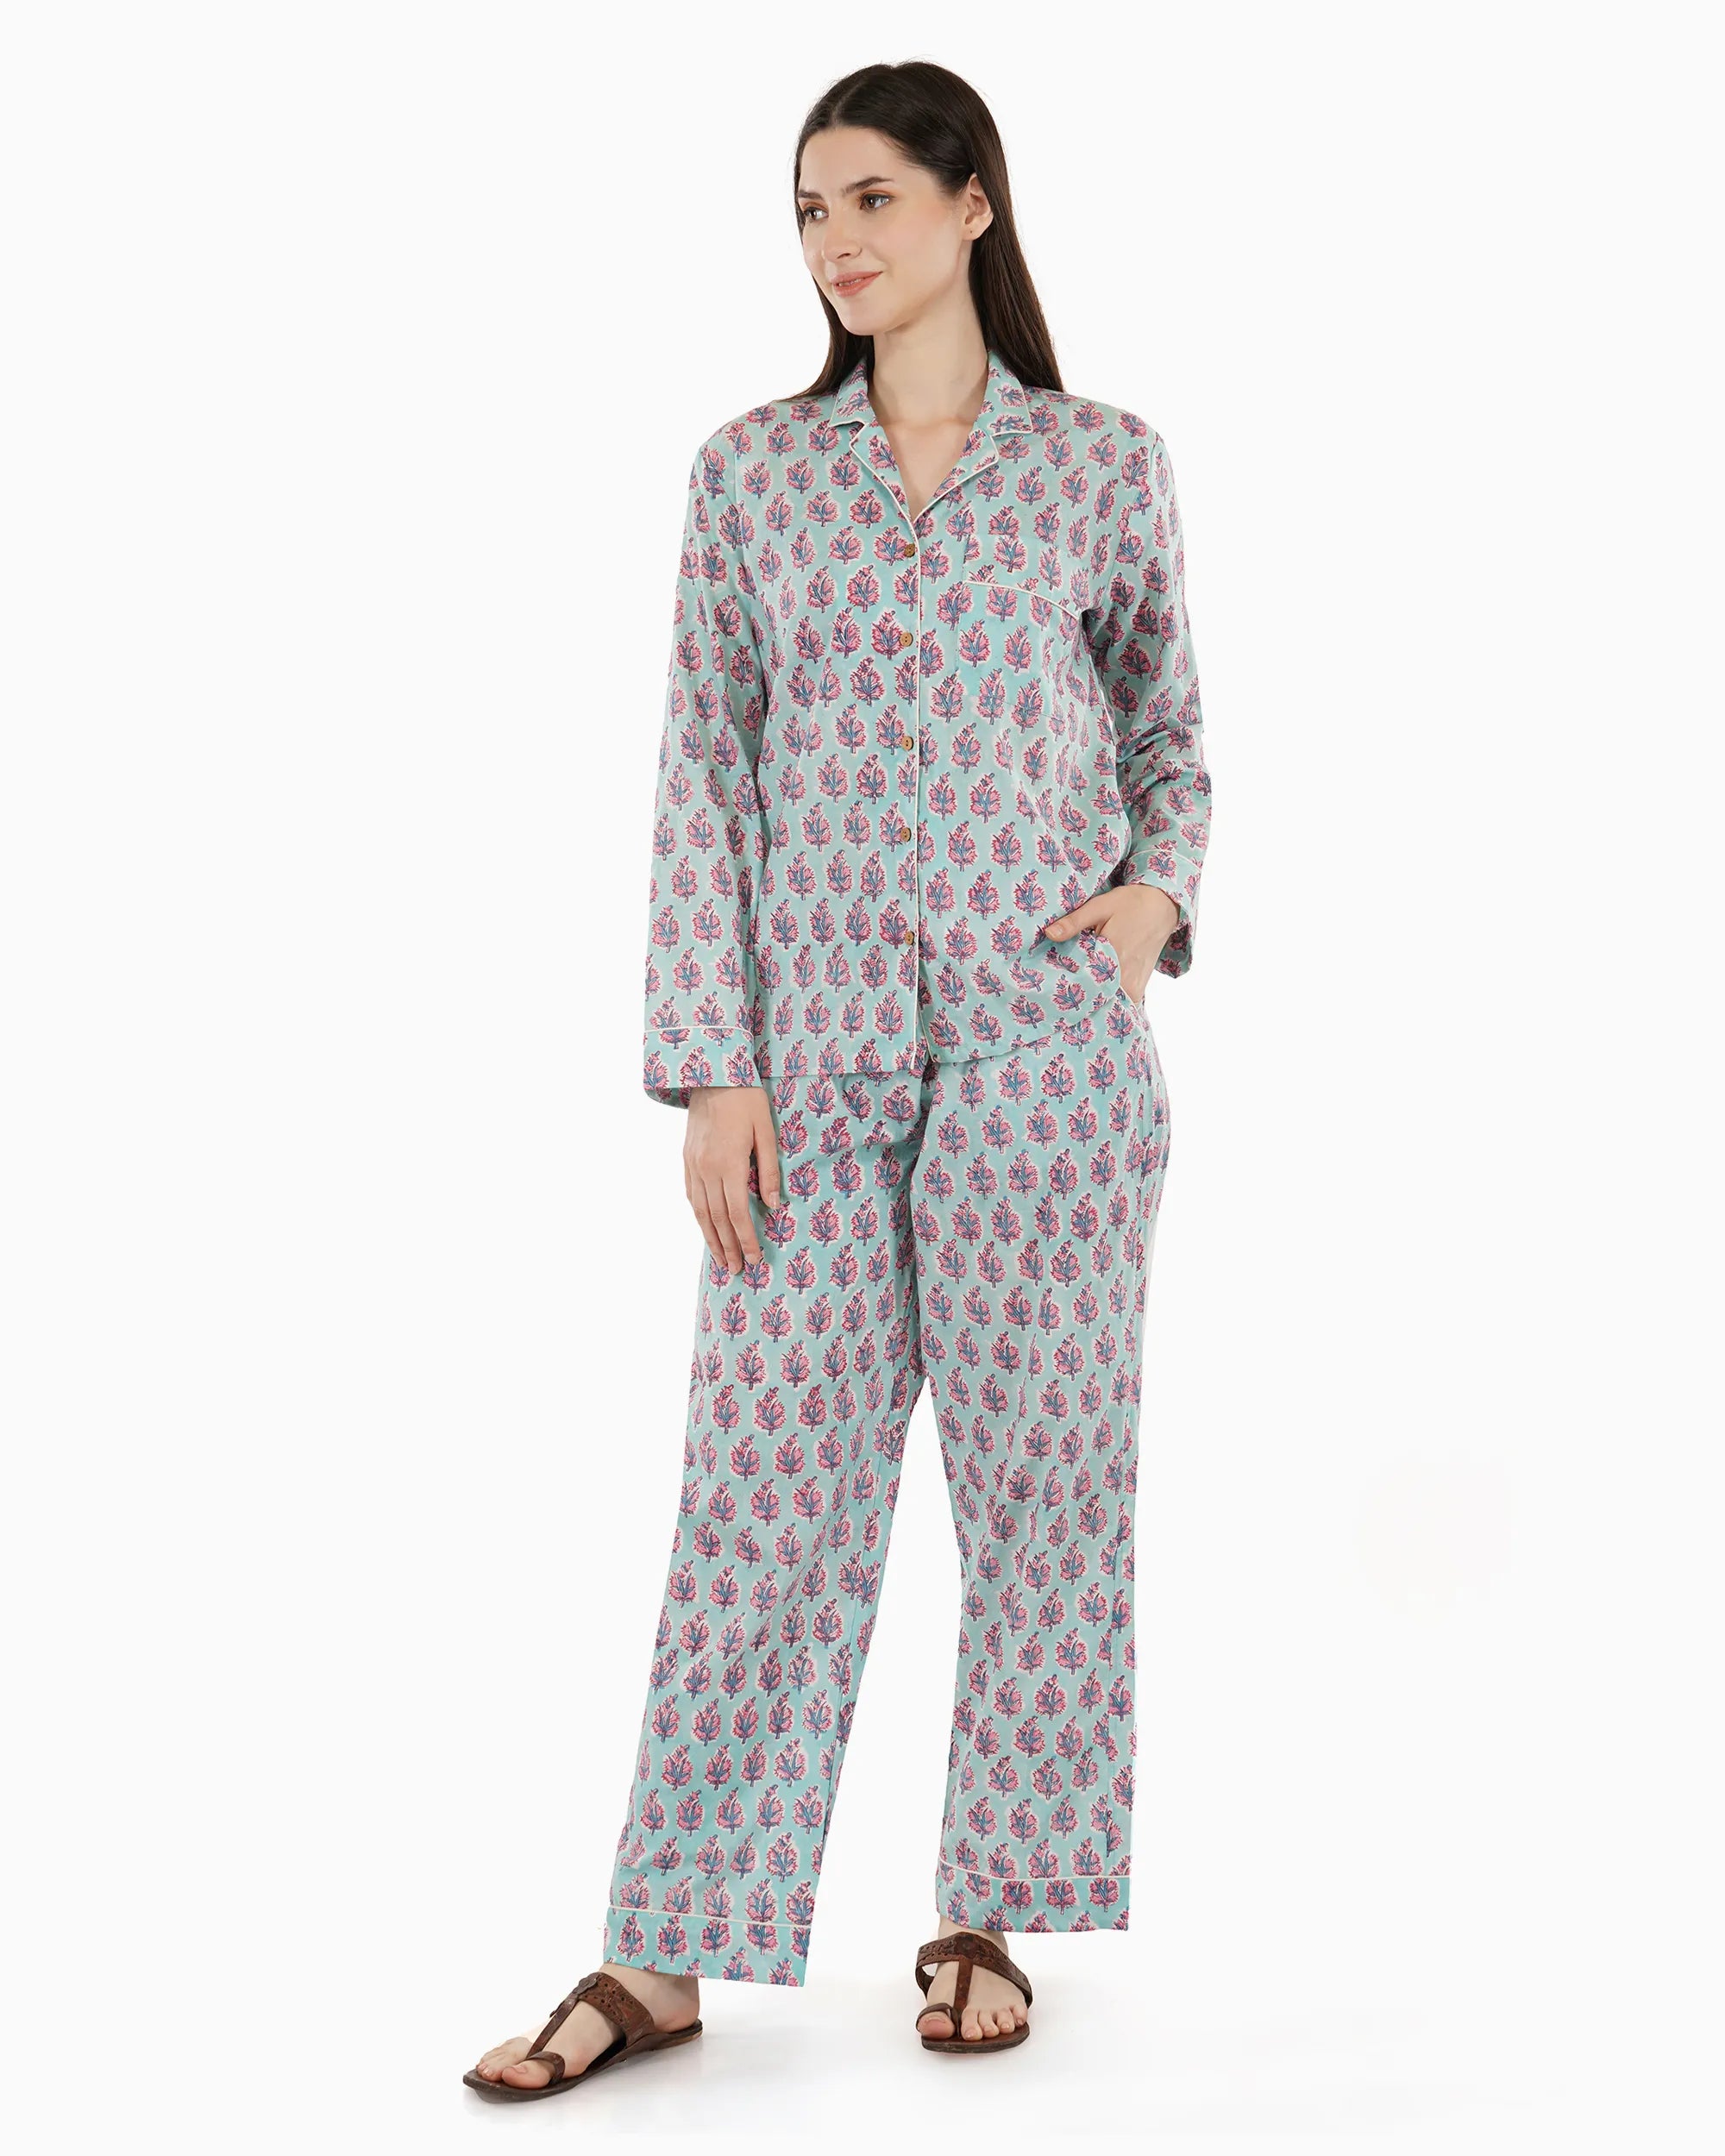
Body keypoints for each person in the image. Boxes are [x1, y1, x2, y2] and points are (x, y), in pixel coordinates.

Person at [465, 56, 1213, 2100]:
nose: (835, 240)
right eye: (808, 208)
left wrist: (1154, 902)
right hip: (807, 1075)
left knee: (1045, 1495)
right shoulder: (749, 476)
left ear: (973, 204)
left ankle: (986, 1905)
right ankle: (663, 1950)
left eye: (871, 195)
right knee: (759, 1505)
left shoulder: (1103, 463)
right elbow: (701, 776)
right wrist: (712, 1068)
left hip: (1045, 1059)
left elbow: (1168, 730)